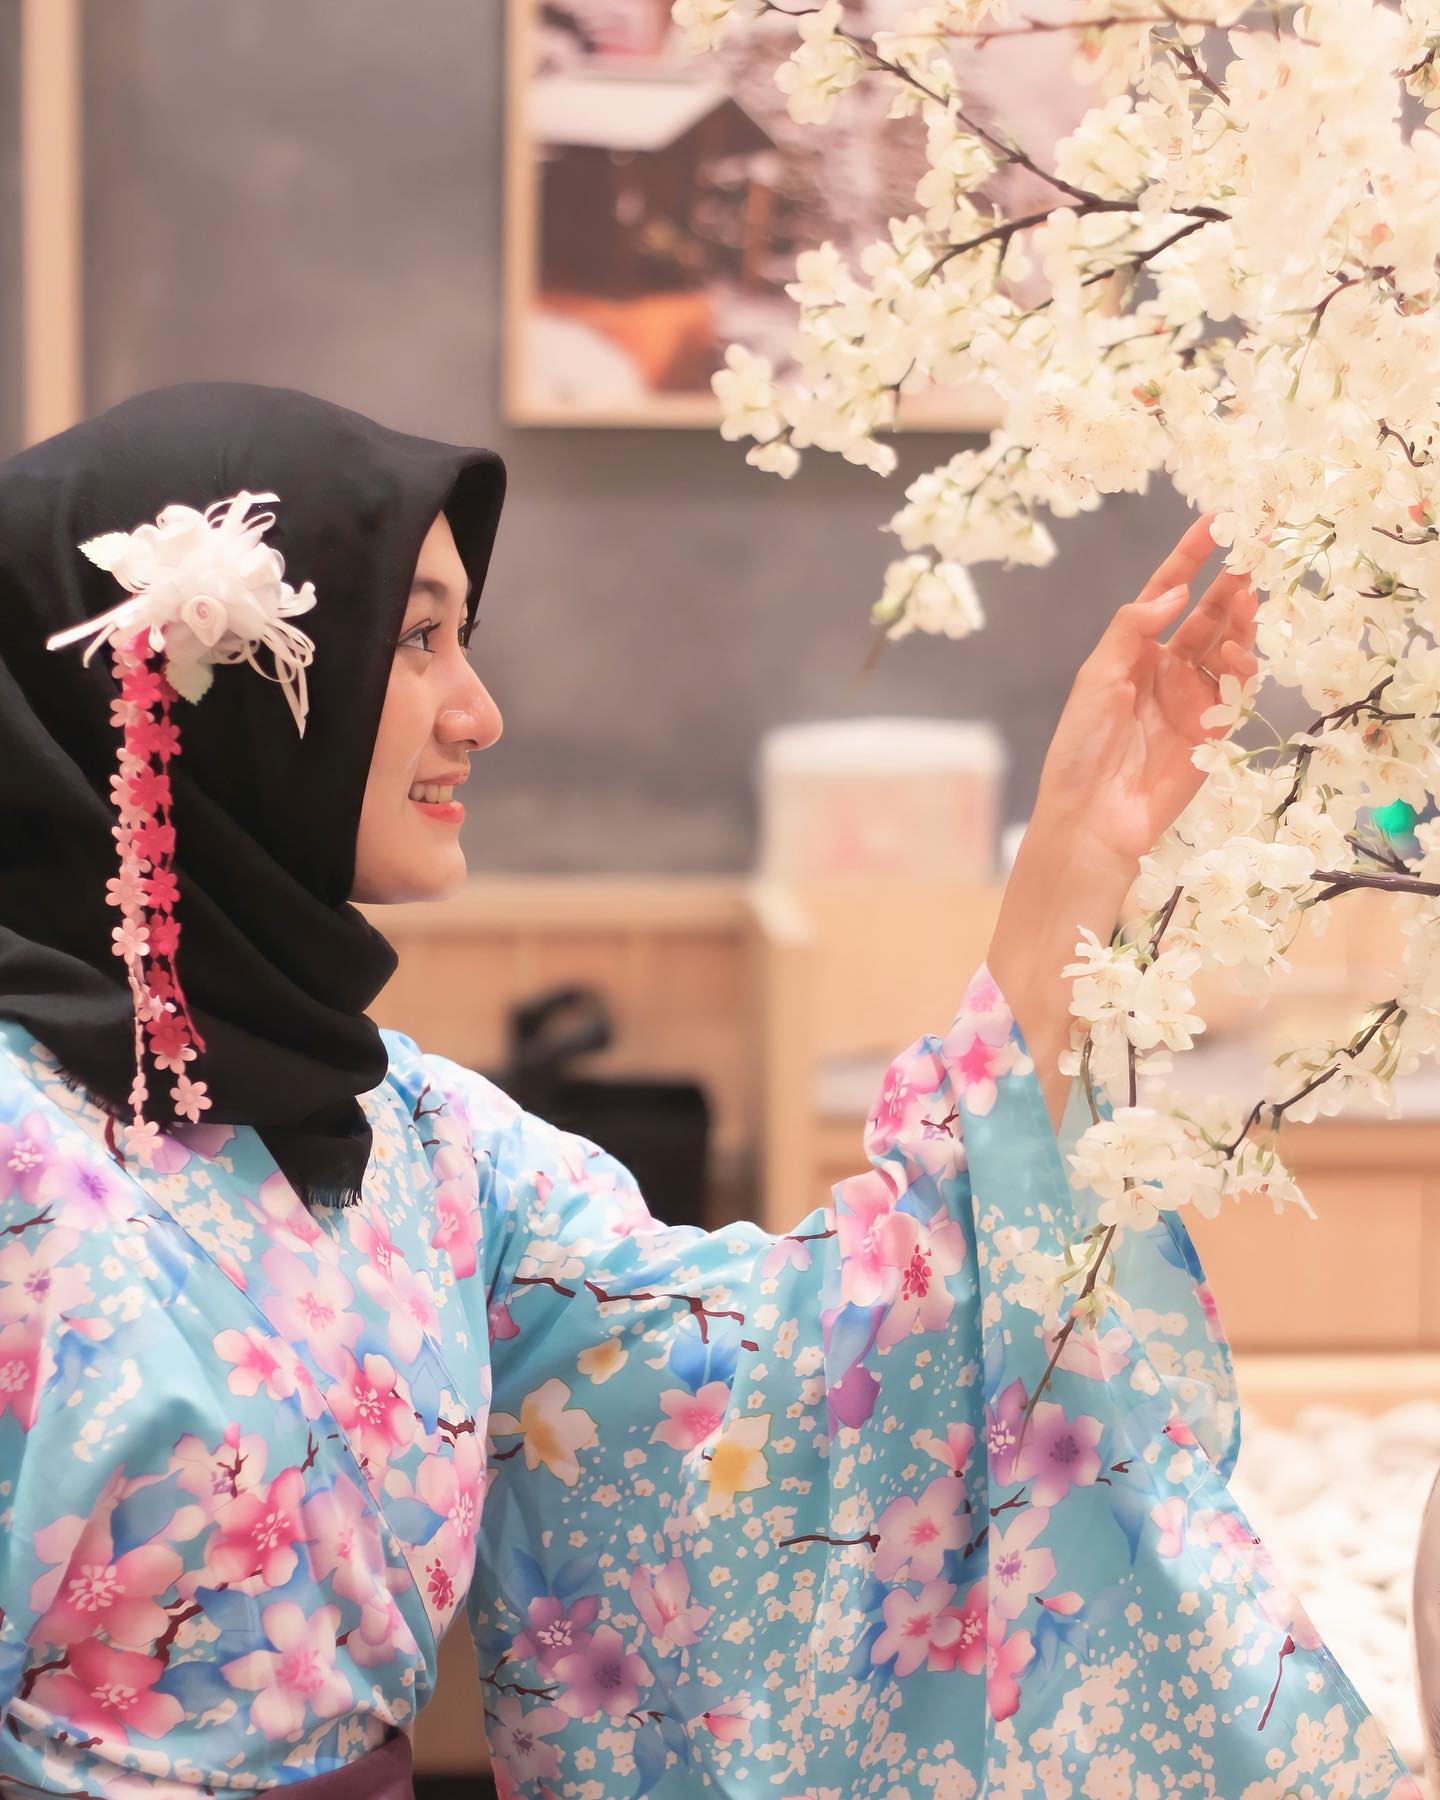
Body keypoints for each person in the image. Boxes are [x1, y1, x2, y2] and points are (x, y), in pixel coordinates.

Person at [0, 382, 1418, 1800]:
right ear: (205, 693)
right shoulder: (23, 1153)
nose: (479, 714)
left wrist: (1074, 863)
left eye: (461, 640)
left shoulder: (423, 1147)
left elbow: (803, 1365)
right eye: (418, 638)